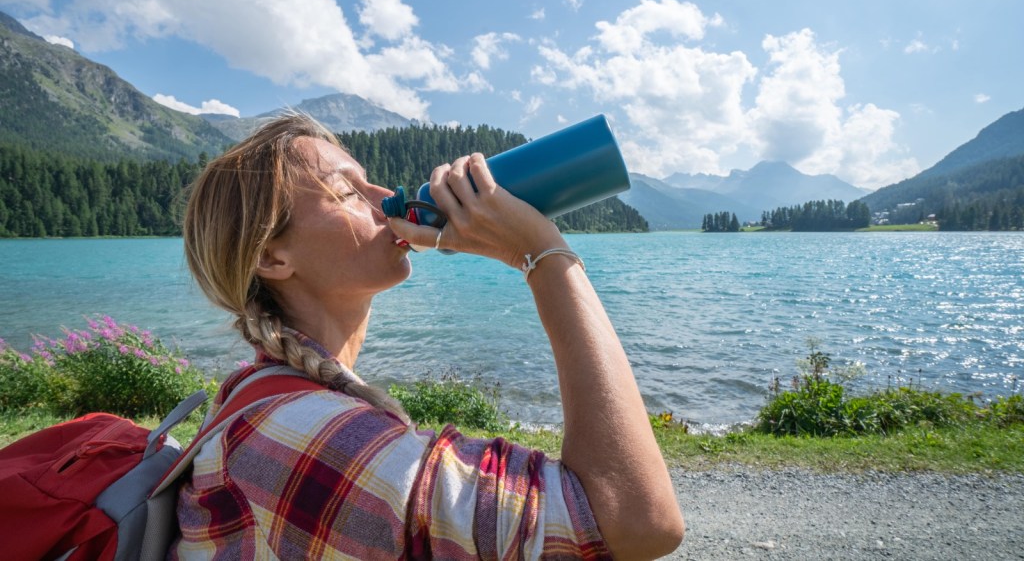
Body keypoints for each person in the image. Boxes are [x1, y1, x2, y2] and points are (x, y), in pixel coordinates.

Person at [176, 112, 684, 559]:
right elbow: (635, 522)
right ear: (270, 257)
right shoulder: (307, 434)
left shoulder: (268, 399)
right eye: (348, 191)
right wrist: (542, 253)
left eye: (370, 182)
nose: (383, 199)